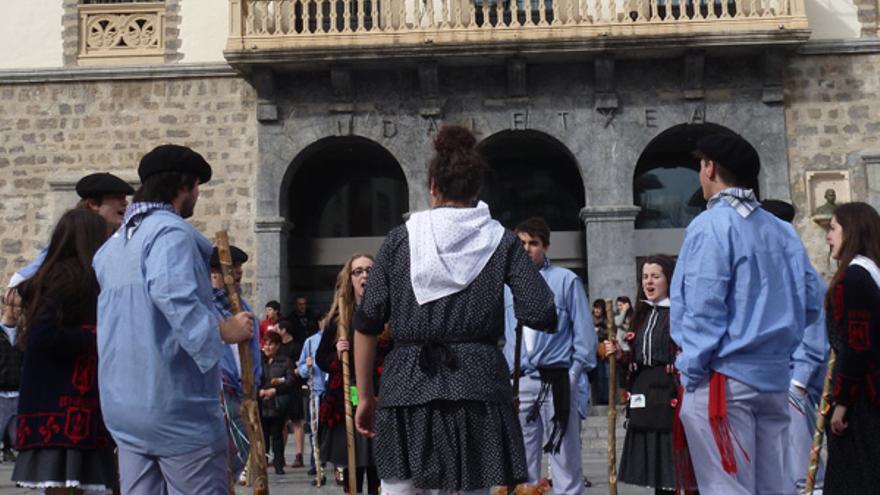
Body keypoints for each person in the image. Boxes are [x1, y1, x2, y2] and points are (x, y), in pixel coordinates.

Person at [352, 125, 558, 494]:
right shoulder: (502, 242)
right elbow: (541, 309)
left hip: (406, 389)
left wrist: (365, 396)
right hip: (477, 387)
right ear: (477, 189)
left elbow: (367, 323)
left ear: (433, 186)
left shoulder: (400, 240)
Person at [93, 144, 254, 494]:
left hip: (123, 405)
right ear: (184, 186)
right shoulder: (170, 234)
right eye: (197, 187)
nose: (197, 196)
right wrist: (225, 330)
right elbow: (174, 296)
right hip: (174, 405)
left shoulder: (111, 248)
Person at [670, 133, 823, 494]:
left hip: (723, 376)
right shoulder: (782, 230)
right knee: (773, 486)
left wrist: (692, 368)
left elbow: (703, 306)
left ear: (709, 167)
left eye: (700, 165)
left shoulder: (711, 225)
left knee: (725, 486)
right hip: (773, 378)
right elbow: (813, 300)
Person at [11, 209, 117, 494]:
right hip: (62, 406)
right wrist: (97, 336)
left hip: (71, 406)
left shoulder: (67, 277)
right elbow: (42, 336)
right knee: (62, 485)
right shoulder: (65, 279)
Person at [503, 216, 596, 495]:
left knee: (566, 459)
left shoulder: (566, 281)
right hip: (519, 382)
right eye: (521, 243)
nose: (527, 248)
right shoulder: (505, 286)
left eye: (534, 243)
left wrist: (573, 375)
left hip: (557, 378)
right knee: (523, 464)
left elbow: (585, 336)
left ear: (546, 247)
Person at [762, 199, 830, 492]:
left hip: (793, 385)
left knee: (803, 470)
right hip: (767, 379)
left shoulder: (800, 273)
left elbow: (814, 331)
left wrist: (798, 381)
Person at [605, 255, 684, 494]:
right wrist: (618, 354)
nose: (648, 281)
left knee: (675, 460)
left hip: (670, 391)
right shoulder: (640, 315)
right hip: (644, 391)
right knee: (657, 466)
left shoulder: (680, 313)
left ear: (668, 279)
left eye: (655, 276)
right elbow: (635, 356)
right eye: (645, 277)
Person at [317, 253, 391, 495]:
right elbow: (322, 359)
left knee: (378, 465)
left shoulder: (389, 314)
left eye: (369, 270)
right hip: (350, 395)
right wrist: (337, 355)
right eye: (358, 271)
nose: (364, 276)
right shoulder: (338, 320)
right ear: (349, 279)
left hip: (382, 394)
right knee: (355, 461)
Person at [822, 202, 880, 493]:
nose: (828, 236)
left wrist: (842, 403)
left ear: (852, 231)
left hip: (863, 401)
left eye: (832, 229)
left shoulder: (854, 278)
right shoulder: (871, 274)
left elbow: (857, 346)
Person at [7, 172, 133, 289]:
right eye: (118, 198)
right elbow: (33, 270)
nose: (125, 203)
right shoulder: (72, 235)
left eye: (124, 198)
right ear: (94, 204)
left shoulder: (123, 237)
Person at [209, 244, 263, 484]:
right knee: (221, 457)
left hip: (244, 390)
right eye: (233, 269)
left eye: (241, 268)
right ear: (214, 273)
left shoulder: (245, 308)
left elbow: (254, 349)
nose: (239, 273)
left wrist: (254, 381)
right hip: (220, 390)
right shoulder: (205, 308)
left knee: (242, 450)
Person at [259, 331, 297, 475]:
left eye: (271, 344)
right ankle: (262, 463)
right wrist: (260, 391)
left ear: (277, 346)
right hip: (261, 403)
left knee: (277, 435)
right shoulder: (259, 360)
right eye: (266, 344)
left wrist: (275, 390)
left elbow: (290, 381)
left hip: (277, 404)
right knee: (262, 436)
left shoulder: (285, 361)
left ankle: (279, 464)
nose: (267, 347)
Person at [298, 316, 328, 478]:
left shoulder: (337, 339)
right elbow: (301, 367)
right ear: (319, 321)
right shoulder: (310, 342)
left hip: (332, 390)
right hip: (316, 390)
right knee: (314, 428)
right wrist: (306, 366)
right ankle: (315, 461)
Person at [276, 318, 307, 468]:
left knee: (296, 422)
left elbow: (300, 367)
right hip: (281, 389)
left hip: (294, 388)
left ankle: (299, 456)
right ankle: (279, 456)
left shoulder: (296, 347)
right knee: (280, 423)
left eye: (278, 328)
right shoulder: (278, 347)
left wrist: (289, 374)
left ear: (284, 330)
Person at [0, 289, 23, 463]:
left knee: (20, 441)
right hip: (1, 396)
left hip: (19, 395)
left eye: (19, 307)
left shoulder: (24, 336)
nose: (17, 310)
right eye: (13, 306)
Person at [590, 299, 610, 405]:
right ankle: (597, 399)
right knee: (596, 376)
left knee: (605, 375)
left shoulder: (607, 320)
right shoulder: (589, 319)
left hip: (604, 350)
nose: (596, 310)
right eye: (595, 307)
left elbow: (610, 332)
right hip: (592, 351)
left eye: (599, 308)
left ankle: (606, 398)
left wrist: (600, 331)